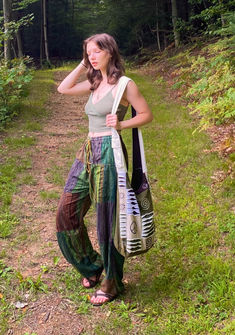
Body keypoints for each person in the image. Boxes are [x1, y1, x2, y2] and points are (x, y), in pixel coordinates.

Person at [56, 33, 153, 306]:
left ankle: (112, 282)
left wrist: (122, 125)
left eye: (97, 51)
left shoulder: (124, 85)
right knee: (66, 212)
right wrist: (81, 64)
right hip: (87, 150)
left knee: (107, 219)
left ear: (110, 51)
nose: (93, 56)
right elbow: (63, 89)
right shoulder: (93, 81)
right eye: (89, 52)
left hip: (110, 153)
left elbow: (146, 114)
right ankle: (91, 266)